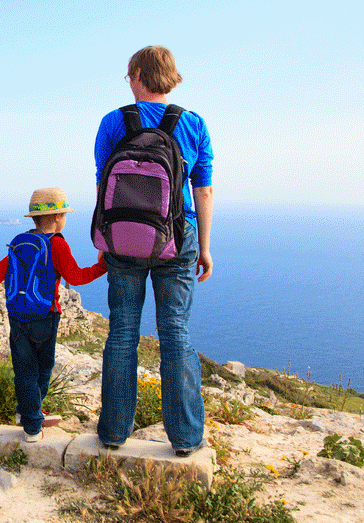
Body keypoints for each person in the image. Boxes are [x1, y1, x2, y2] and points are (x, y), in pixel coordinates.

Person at [94, 45, 214, 457]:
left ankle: (113, 431)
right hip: (178, 238)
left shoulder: (113, 122)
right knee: (175, 332)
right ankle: (185, 438)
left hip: (123, 239)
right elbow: (203, 189)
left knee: (122, 330)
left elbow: (102, 187)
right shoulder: (193, 124)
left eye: (130, 76)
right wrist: (205, 247)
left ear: (141, 75)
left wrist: (104, 241)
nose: (129, 83)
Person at [0, 187, 107, 442]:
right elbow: (76, 277)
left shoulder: (20, 243)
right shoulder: (57, 244)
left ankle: (28, 410)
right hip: (46, 316)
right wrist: (103, 266)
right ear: (59, 218)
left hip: (17, 316)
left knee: (24, 369)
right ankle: (32, 426)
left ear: (35, 219)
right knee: (43, 368)